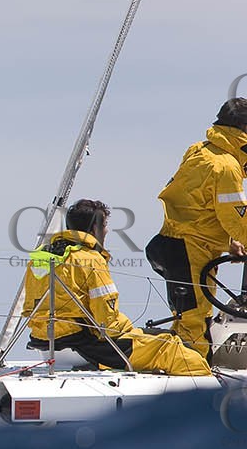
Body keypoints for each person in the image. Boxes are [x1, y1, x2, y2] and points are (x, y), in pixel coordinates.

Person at [24, 198, 211, 376]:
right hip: (85, 344)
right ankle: (205, 400)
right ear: (95, 228)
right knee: (172, 347)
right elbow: (108, 324)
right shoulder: (90, 259)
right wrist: (137, 331)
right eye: (104, 225)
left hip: (45, 341)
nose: (106, 231)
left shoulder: (41, 258)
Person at [146, 97, 247, 357]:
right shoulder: (226, 166)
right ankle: (195, 383)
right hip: (190, 251)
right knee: (194, 324)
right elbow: (236, 219)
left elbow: (196, 207)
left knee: (187, 319)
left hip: (175, 243)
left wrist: (228, 244)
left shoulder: (199, 150)